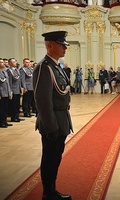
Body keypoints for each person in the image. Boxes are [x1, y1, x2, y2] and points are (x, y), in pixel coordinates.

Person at [33, 31, 73, 200]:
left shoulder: (55, 66)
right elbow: (43, 101)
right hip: (53, 123)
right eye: (61, 44)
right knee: (50, 158)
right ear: (50, 45)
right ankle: (48, 193)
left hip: (61, 120)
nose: (65, 48)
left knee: (55, 157)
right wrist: (51, 127)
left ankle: (52, 190)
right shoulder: (44, 67)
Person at [7, 58, 23, 122]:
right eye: (13, 62)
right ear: (10, 63)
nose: (15, 63)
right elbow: (10, 82)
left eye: (15, 62)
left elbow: (19, 80)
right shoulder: (9, 71)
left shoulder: (17, 70)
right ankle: (13, 117)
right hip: (13, 90)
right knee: (13, 105)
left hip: (18, 90)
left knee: (17, 104)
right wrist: (10, 91)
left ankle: (17, 116)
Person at [0, 58, 13, 128]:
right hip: (1, 93)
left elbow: (7, 83)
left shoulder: (4, 72)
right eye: (1, 62)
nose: (3, 63)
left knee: (5, 108)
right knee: (1, 109)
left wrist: (9, 92)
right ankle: (1, 122)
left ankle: (4, 121)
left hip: (6, 93)